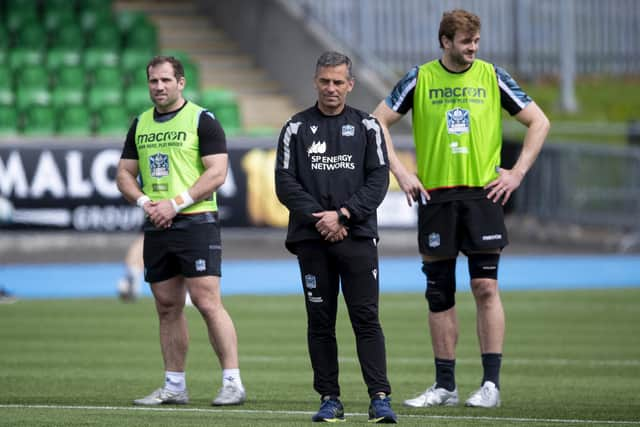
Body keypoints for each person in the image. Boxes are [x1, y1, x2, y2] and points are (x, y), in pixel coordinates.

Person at [372, 9, 550, 408]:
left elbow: (539, 122)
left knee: (485, 286)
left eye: (476, 42)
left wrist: (516, 174)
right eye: (466, 42)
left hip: (483, 195)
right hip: (435, 196)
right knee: (439, 291)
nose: (472, 48)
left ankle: (490, 385)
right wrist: (400, 171)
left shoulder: (493, 76)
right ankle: (445, 386)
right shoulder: (419, 78)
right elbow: (377, 121)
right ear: (445, 42)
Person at [116, 55, 246, 406]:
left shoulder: (203, 120)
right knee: (167, 307)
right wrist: (147, 203)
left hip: (195, 221)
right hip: (157, 224)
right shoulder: (140, 123)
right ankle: (174, 386)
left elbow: (217, 173)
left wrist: (175, 203)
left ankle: (232, 382)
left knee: (206, 302)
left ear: (181, 83)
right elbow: (124, 174)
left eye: (165, 81)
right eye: (153, 81)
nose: (159, 87)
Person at [275, 51, 397, 424]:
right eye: (325, 81)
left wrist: (343, 215)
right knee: (320, 320)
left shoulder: (368, 126)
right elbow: (284, 183)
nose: (331, 88)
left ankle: (379, 399)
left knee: (366, 318)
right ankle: (330, 398)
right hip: (313, 239)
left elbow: (379, 178)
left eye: (338, 82)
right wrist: (321, 219)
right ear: (316, 81)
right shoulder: (295, 127)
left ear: (350, 84)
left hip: (356, 236)